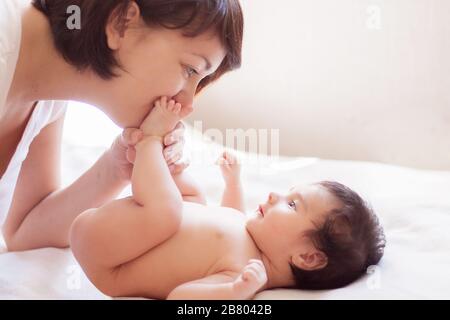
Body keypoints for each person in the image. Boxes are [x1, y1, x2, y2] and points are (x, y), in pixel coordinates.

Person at [70, 96, 386, 299]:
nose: (275, 195)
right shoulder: (249, 232)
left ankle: (149, 142)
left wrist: (234, 292)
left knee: (168, 211)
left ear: (308, 257)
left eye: (292, 205)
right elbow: (229, 218)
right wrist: (233, 182)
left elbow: (182, 298)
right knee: (193, 196)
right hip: (126, 235)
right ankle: (160, 166)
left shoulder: (245, 275)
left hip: (110, 257)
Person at [0, 0, 243, 251]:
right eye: (190, 70)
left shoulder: (48, 92)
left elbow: (23, 231)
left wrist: (117, 167)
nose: (187, 103)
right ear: (122, 23)